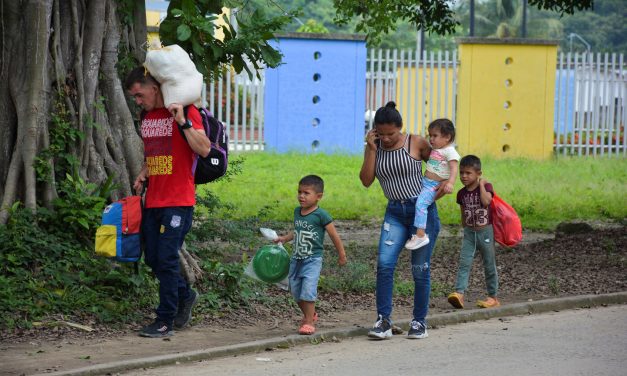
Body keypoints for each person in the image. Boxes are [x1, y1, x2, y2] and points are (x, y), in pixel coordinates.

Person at [124, 67, 211, 338]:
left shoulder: (184, 111)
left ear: (155, 88)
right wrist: (144, 172)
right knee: (152, 257)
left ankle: (165, 319)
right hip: (154, 200)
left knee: (167, 258)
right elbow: (157, 150)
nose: (137, 101)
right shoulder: (147, 115)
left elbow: (205, 149)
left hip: (178, 201)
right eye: (133, 97)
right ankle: (185, 296)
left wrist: (183, 121)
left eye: (139, 94)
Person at [359, 101, 442, 340]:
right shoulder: (375, 147)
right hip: (394, 212)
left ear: (400, 128)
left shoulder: (415, 143)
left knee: (419, 270)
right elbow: (366, 180)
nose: (386, 139)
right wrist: (372, 149)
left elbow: (439, 164)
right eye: (381, 134)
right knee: (385, 266)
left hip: (421, 214)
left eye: (391, 134)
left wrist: (434, 192)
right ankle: (383, 321)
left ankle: (419, 322)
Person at [274, 175, 347, 335]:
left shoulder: (321, 215)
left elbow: (334, 235)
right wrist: (284, 238)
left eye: (306, 193)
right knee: (295, 291)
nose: (301, 196)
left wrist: (341, 254)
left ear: (318, 196)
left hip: (312, 259)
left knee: (308, 289)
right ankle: (311, 315)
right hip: (296, 258)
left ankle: (308, 322)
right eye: (299, 192)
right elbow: (297, 231)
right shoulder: (297, 212)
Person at [447, 155, 500, 310]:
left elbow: (486, 201)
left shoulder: (486, 187)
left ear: (478, 173)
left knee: (489, 264)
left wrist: (482, 185)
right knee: (464, 263)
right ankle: (459, 294)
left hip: (485, 232)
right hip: (470, 233)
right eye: (462, 173)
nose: (464, 176)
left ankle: (493, 297)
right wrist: (465, 226)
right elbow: (463, 211)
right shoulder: (461, 194)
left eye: (468, 173)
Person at [405, 119, 460, 250]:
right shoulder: (437, 149)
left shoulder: (450, 151)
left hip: (433, 185)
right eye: (430, 135)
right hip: (425, 182)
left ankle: (420, 235)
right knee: (417, 200)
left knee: (421, 205)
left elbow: (454, 168)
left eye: (435, 136)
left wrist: (450, 183)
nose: (431, 139)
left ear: (447, 137)